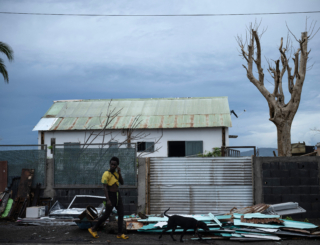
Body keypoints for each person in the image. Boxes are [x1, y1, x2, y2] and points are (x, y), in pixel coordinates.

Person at [88, 156, 128, 239]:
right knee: (106, 214)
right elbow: (105, 187)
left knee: (121, 214)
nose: (113, 166)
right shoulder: (106, 174)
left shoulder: (116, 174)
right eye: (112, 164)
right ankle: (93, 229)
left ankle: (119, 234)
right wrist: (108, 200)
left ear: (117, 166)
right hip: (110, 196)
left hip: (117, 195)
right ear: (110, 164)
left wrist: (119, 173)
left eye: (115, 165)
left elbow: (122, 182)